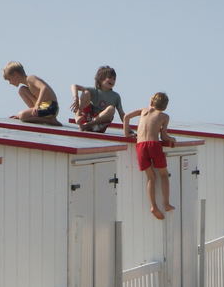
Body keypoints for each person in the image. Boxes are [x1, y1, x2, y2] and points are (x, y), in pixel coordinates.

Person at [123, 92, 176, 220]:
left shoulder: (143, 111)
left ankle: (153, 206)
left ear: (151, 101)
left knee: (151, 177)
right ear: (165, 106)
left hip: (140, 145)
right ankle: (166, 203)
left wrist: (127, 134)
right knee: (163, 174)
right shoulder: (164, 116)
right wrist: (172, 139)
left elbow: (126, 117)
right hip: (153, 145)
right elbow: (163, 136)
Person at [70, 65, 125, 132]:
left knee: (111, 108)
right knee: (86, 93)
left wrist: (128, 129)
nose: (112, 80)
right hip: (88, 117)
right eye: (110, 77)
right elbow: (74, 86)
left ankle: (87, 125)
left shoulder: (116, 96)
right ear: (101, 79)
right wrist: (75, 98)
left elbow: (122, 114)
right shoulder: (94, 90)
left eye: (114, 79)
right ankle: (78, 117)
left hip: (99, 124)